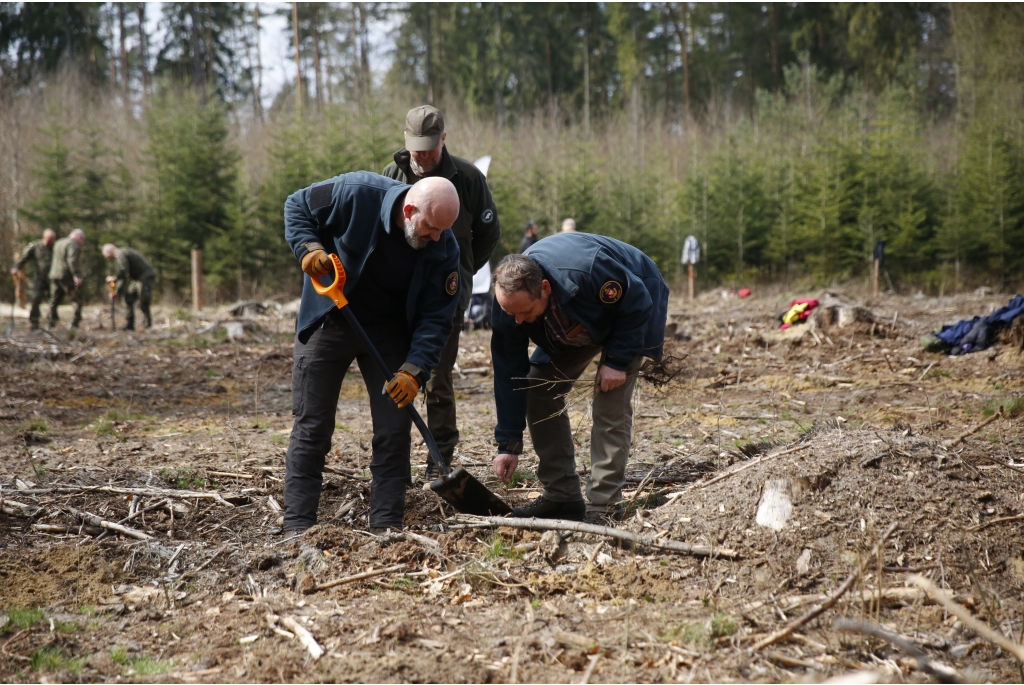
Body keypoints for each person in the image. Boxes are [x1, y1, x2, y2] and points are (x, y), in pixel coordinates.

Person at [283, 172, 461, 536]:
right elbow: (297, 205)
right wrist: (308, 247)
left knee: (394, 429)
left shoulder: (444, 245)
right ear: (409, 210)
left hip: (391, 331)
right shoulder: (356, 193)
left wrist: (414, 370)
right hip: (331, 316)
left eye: (443, 230)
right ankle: (297, 526)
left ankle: (386, 525)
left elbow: (437, 317)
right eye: (431, 227)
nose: (437, 237)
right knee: (313, 426)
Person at [489, 233, 669, 523]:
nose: (517, 321)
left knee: (609, 401)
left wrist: (617, 362)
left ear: (544, 288)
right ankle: (562, 497)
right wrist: (508, 444)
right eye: (511, 313)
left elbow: (636, 300)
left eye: (525, 312)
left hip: (631, 306)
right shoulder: (509, 307)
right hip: (571, 323)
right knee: (539, 388)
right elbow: (511, 374)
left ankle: (604, 507)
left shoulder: (589, 271)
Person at [382, 105, 501, 477]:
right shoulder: (391, 174)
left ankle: (439, 458)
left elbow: (489, 235)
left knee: (436, 379)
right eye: (416, 149)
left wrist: (461, 273)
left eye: (430, 148)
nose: (422, 156)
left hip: (446, 299)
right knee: (394, 377)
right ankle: (393, 461)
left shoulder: (468, 178)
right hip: (398, 296)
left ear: (443, 140)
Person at [10, 229, 56, 330]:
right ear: (44, 237)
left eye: (52, 239)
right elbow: (24, 257)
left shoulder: (55, 247)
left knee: (53, 300)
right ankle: (34, 321)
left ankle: (51, 321)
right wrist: (16, 268)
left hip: (52, 278)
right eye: (49, 239)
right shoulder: (35, 246)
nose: (51, 241)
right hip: (40, 277)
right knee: (36, 298)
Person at [102, 244, 156, 330]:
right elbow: (123, 277)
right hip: (137, 279)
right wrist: (117, 292)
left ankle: (147, 324)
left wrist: (114, 278)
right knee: (128, 298)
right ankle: (130, 325)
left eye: (107, 256)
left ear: (109, 251)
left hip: (145, 276)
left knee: (143, 300)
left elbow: (124, 271)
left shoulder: (120, 253)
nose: (109, 259)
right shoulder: (120, 256)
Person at [48, 228, 85, 329]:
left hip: (54, 275)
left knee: (54, 300)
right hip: (66, 276)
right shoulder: (72, 245)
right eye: (82, 239)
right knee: (77, 299)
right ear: (79, 237)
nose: (81, 242)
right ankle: (75, 323)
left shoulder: (58, 242)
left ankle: (51, 322)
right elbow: (72, 260)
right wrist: (76, 275)